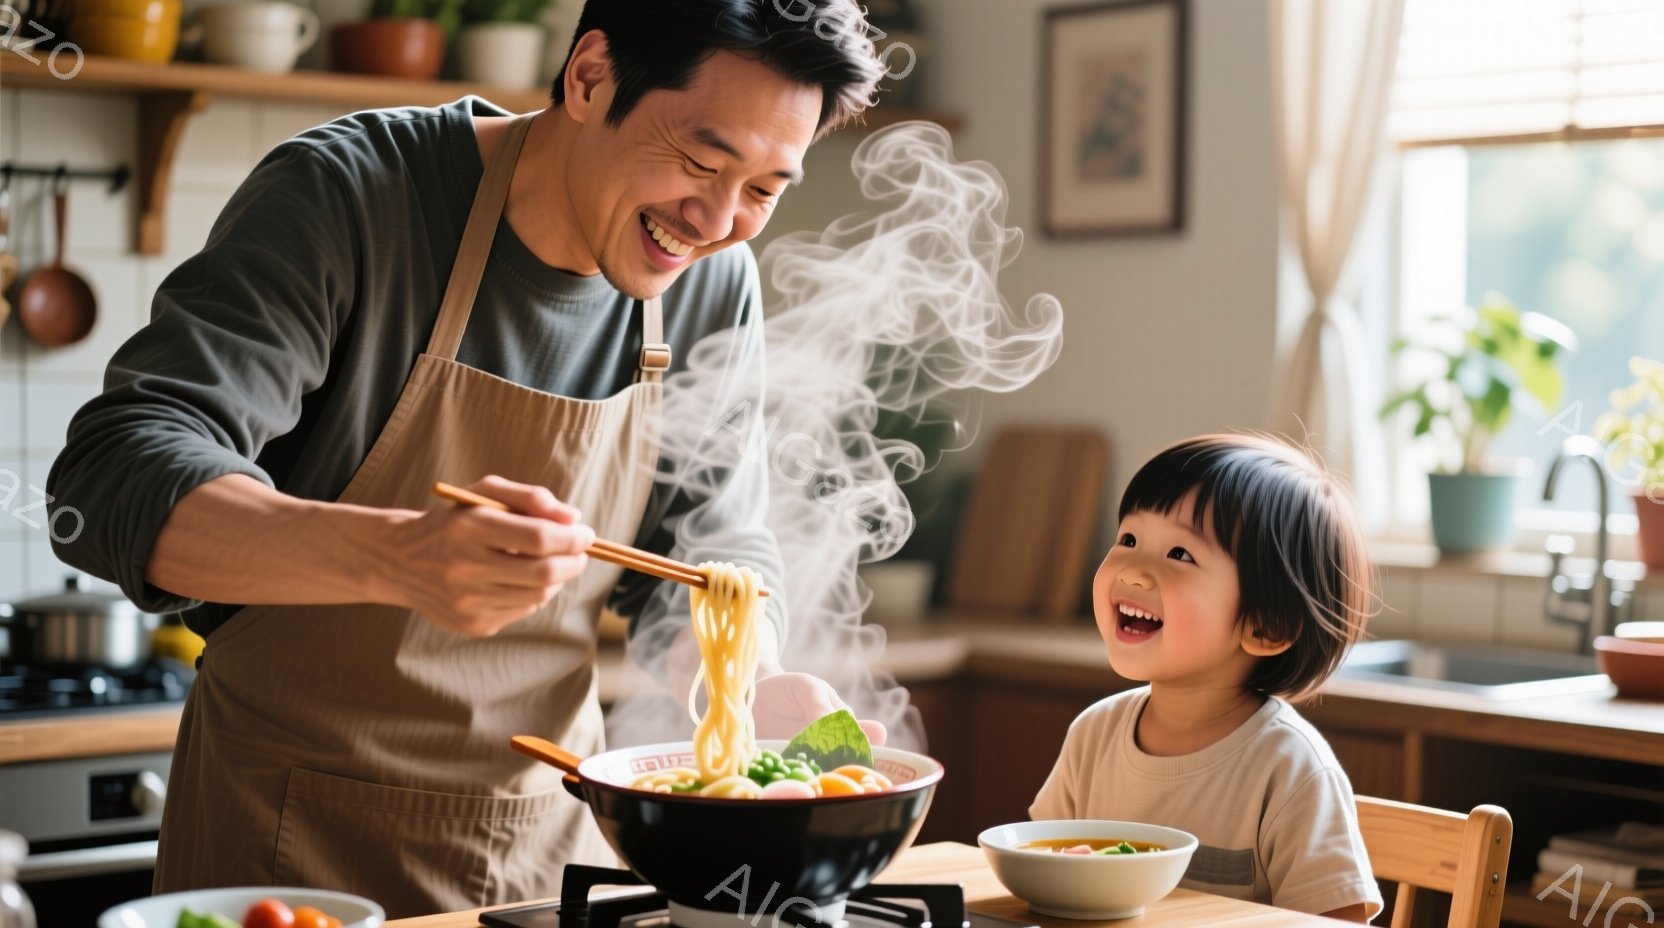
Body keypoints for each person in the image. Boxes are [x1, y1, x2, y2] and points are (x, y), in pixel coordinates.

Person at [45, 0, 886, 917]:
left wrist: (753, 685)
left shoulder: (710, 280)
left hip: (543, 858)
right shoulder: (349, 194)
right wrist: (394, 555)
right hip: (284, 846)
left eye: (765, 189)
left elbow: (711, 552)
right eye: (701, 159)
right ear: (590, 75)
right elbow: (113, 474)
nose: (717, 219)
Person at [1029, 434, 1383, 923]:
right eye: (1129, 539)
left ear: (1266, 626)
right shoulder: (1094, 734)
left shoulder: (1289, 769)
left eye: (1179, 554)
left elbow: (1336, 921)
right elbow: (1041, 868)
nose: (1132, 570)